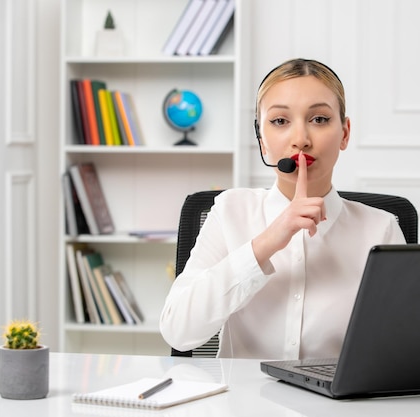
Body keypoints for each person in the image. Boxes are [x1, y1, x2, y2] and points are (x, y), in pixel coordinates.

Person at [159, 58, 405, 360]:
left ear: (344, 133)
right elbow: (178, 332)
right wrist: (266, 243)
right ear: (262, 141)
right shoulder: (230, 211)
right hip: (243, 404)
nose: (301, 140)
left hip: (334, 406)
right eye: (279, 121)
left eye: (319, 119)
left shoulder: (381, 228)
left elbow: (399, 349)